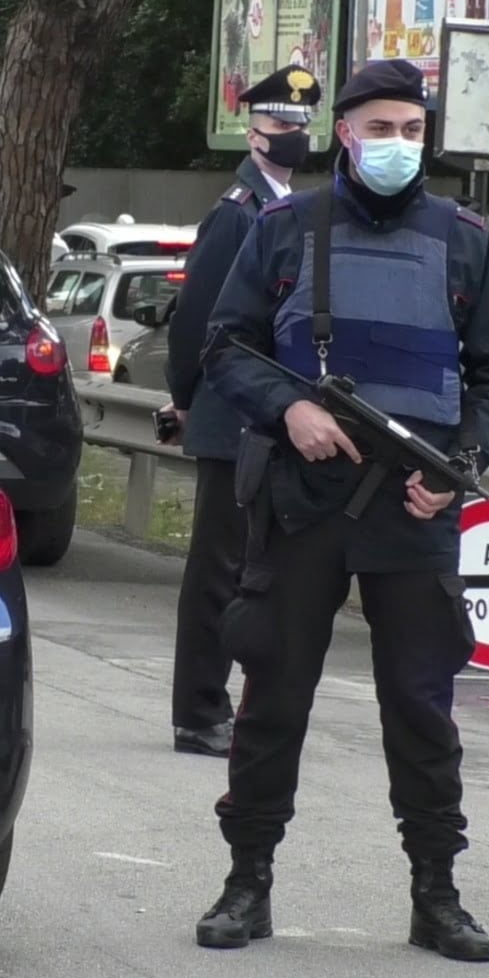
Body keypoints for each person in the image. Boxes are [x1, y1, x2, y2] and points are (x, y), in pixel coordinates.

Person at [189, 59, 489, 963]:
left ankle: (437, 895)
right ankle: (247, 883)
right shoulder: (282, 230)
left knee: (422, 709)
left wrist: (462, 466)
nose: (397, 145)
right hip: (302, 501)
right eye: (380, 128)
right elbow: (226, 346)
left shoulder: (467, 241)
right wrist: (289, 411)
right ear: (343, 132)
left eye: (412, 130)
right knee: (273, 697)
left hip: (414, 507)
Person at [161, 64, 325, 758]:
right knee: (219, 571)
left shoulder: (288, 206)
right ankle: (199, 711)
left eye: (301, 124)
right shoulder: (237, 211)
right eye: (280, 123)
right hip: (230, 411)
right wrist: (186, 398)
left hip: (270, 412)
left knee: (259, 570)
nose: (292, 135)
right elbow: (196, 319)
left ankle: (243, 703)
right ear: (253, 132)